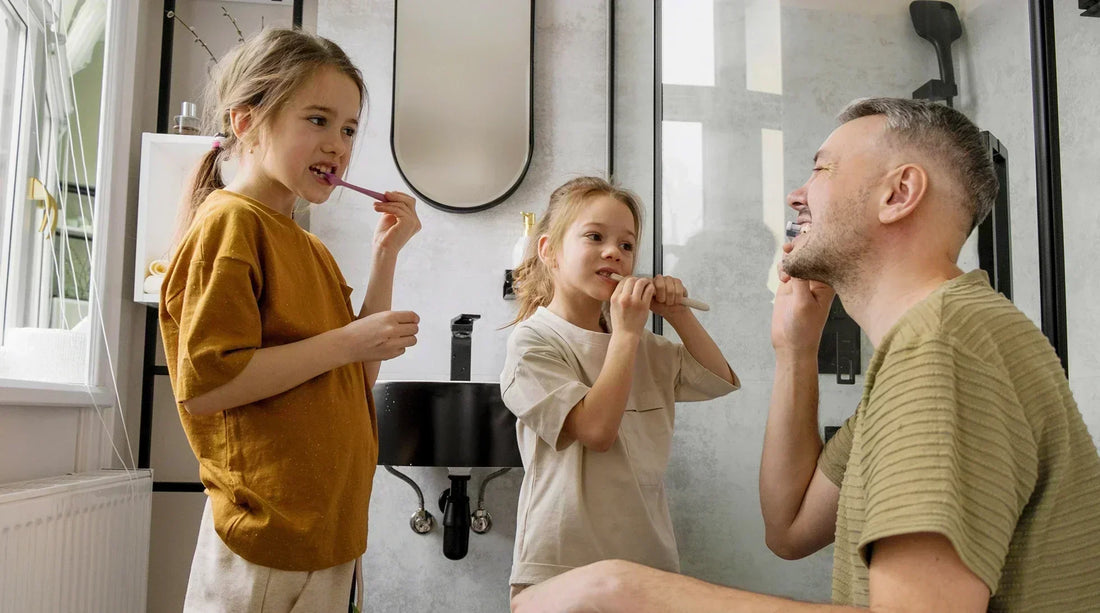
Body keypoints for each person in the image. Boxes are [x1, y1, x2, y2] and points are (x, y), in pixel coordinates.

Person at [511, 98, 1100, 612]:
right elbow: (789, 528)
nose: (796, 194)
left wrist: (621, 590)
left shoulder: (944, 350)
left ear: (898, 194)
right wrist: (795, 350)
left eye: (821, 169)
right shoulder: (920, 350)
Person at [159, 28, 421, 613]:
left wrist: (386, 257)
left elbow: (359, 377)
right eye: (318, 120)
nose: (338, 145)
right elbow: (208, 387)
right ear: (247, 122)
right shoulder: (231, 224)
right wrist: (346, 341)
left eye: (349, 129)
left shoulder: (311, 248)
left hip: (325, 536)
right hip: (265, 536)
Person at [501, 176, 741, 603]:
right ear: (549, 251)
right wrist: (627, 333)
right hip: (562, 561)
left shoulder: (644, 345)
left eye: (627, 245)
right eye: (595, 236)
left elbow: (717, 380)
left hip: (647, 558)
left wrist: (678, 315)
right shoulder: (534, 342)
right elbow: (596, 431)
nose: (614, 252)